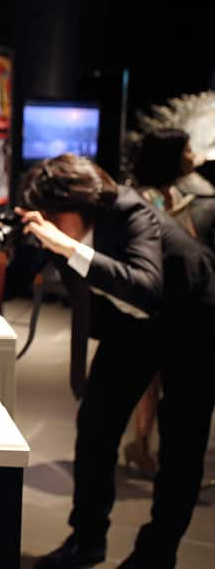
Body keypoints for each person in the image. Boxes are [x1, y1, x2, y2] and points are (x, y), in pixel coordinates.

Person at [0, 153, 215, 568]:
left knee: (182, 442)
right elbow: (30, 271)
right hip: (131, 329)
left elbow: (145, 286)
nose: (50, 227)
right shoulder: (65, 227)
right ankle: (86, 539)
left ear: (81, 207)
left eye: (55, 218)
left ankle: (155, 554)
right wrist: (11, 243)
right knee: (95, 427)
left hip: (192, 319)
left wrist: (68, 246)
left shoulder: (128, 212)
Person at [125, 128, 215, 478]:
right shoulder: (150, 199)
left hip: (177, 301)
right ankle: (141, 443)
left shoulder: (174, 193)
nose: (193, 156)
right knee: (150, 377)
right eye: (187, 149)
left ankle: (144, 445)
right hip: (158, 300)